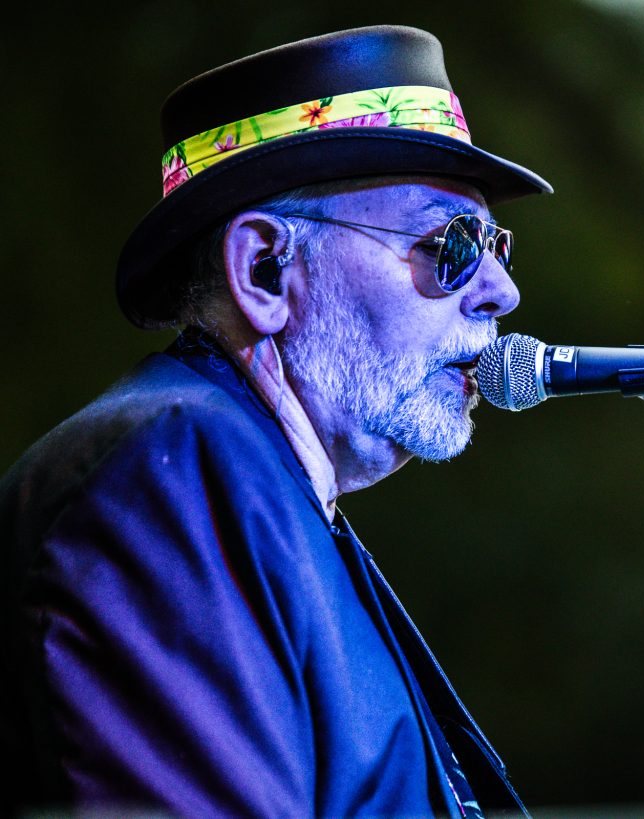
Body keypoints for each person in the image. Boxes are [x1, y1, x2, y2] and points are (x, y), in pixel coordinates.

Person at [0, 25, 551, 816]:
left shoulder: (264, 487)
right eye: (451, 244)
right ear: (263, 268)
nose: (502, 290)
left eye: (496, 244)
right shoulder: (177, 469)